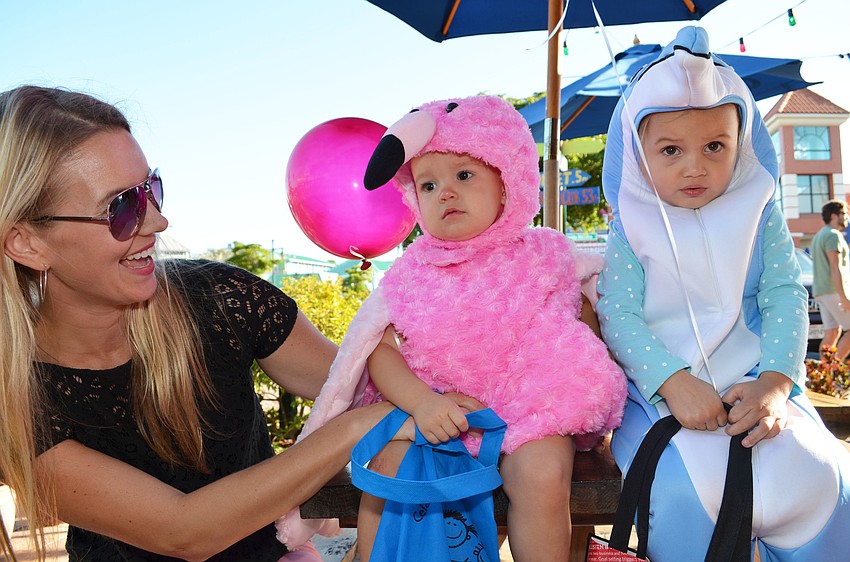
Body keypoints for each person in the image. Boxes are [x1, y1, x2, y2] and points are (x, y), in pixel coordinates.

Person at [0, 85, 433, 562]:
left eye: (151, 189)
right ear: (27, 243)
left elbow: (362, 383)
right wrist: (353, 430)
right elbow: (184, 532)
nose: (158, 222)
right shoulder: (16, 395)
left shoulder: (220, 298)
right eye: (121, 208)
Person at [277, 95, 627, 561]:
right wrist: (422, 402)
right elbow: (377, 350)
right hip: (439, 413)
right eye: (428, 184)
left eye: (465, 175)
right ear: (412, 199)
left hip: (533, 407)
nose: (445, 192)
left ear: (506, 184)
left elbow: (592, 316)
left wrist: (582, 362)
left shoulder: (546, 252)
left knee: (543, 476)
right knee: (389, 475)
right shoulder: (411, 272)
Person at [597, 26, 850, 562]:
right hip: (659, 396)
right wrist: (672, 380)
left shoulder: (761, 214)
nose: (695, 166)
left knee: (831, 479)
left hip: (760, 390)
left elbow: (783, 294)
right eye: (670, 149)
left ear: (742, 142)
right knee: (683, 495)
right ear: (637, 153)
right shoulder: (631, 227)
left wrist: (779, 383)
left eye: (716, 146)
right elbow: (617, 312)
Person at [811, 199, 850, 360]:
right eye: (845, 213)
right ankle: (834, 372)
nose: (847, 217)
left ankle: (823, 374)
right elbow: (836, 267)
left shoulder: (819, 235)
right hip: (834, 291)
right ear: (835, 215)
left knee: (832, 332)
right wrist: (844, 297)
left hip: (821, 292)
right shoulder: (834, 236)